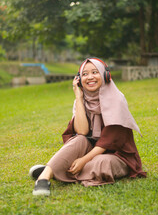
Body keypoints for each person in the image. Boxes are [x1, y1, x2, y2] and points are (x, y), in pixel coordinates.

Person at [29, 58, 146, 196]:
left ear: (105, 75)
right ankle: (44, 177)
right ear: (79, 79)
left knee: (101, 163)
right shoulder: (81, 100)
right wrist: (78, 97)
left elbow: (108, 141)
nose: (90, 77)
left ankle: (56, 169)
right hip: (91, 148)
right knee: (78, 140)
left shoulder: (116, 99)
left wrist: (83, 160)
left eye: (95, 72)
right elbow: (82, 131)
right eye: (84, 74)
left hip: (117, 155)